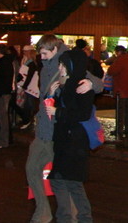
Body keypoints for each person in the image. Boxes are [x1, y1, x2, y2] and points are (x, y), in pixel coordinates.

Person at [26, 35, 100, 223]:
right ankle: (44, 212)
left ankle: (72, 217)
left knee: (65, 180)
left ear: (54, 50)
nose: (41, 58)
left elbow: (93, 81)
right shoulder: (45, 68)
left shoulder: (67, 61)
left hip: (59, 133)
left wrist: (92, 84)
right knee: (34, 169)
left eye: (44, 53)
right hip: (44, 129)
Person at [47, 48, 96, 223]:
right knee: (59, 180)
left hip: (74, 143)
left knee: (73, 183)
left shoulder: (81, 85)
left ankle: (82, 219)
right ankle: (66, 218)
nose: (60, 68)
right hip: (64, 141)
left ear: (71, 66)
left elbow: (81, 114)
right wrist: (52, 96)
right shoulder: (65, 85)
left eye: (63, 65)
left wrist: (58, 111)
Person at [107, 45, 128, 141]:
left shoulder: (121, 60)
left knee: (120, 110)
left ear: (118, 52)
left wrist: (114, 60)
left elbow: (111, 71)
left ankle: (119, 129)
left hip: (121, 89)